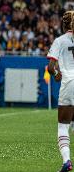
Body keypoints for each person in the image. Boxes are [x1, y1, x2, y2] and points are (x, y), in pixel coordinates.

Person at [47, 10, 74, 172]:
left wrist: (57, 74)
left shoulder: (60, 41)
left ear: (64, 24)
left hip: (69, 83)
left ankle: (67, 162)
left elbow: (51, 67)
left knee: (63, 126)